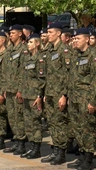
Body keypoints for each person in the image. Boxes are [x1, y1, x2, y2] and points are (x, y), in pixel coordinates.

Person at [67, 28, 96, 170]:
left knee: (87, 129)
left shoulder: (92, 55)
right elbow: (71, 77)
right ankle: (82, 155)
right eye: (74, 39)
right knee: (77, 128)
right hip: (74, 98)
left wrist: (93, 101)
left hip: (86, 98)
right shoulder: (75, 55)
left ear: (86, 39)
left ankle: (89, 159)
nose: (75, 41)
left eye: (78, 38)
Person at [41, 23, 69, 165]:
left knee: (60, 123)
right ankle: (55, 150)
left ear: (58, 34)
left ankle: (61, 153)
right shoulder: (49, 50)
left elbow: (68, 74)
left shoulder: (64, 50)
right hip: (50, 93)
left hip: (59, 94)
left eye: (51, 32)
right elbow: (48, 75)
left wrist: (64, 95)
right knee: (52, 123)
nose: (48, 34)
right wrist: (45, 92)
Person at [2, 24, 28, 155]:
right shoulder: (9, 50)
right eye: (10, 33)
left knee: (19, 117)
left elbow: (23, 72)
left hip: (18, 89)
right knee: (12, 117)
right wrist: (5, 88)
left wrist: (20, 89)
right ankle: (17, 141)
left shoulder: (23, 50)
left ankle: (22, 143)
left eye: (13, 33)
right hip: (9, 88)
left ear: (19, 34)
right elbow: (5, 71)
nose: (10, 35)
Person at [20, 33, 46, 159]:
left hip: (35, 96)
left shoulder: (40, 59)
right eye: (28, 42)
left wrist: (39, 96)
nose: (28, 44)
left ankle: (36, 148)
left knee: (35, 122)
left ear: (37, 43)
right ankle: (31, 146)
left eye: (31, 42)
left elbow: (41, 79)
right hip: (26, 94)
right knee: (28, 122)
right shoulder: (27, 58)